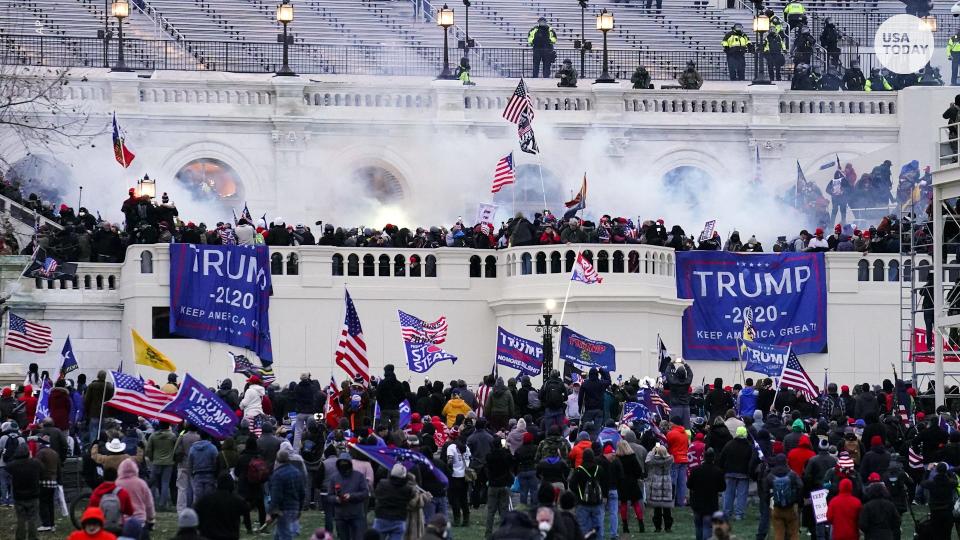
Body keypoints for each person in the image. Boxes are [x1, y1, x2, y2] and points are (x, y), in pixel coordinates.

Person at [325, 451, 368, 540]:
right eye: (341, 463)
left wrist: (351, 496)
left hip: (356, 515)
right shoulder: (334, 478)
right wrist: (336, 499)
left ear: (350, 463)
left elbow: (365, 493)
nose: (343, 465)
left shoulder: (359, 476)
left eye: (345, 463)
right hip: (341, 516)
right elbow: (329, 496)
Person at [195, 474, 249, 540]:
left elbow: (196, 513)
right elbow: (247, 509)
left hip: (209, 536)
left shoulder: (205, 499)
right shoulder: (237, 500)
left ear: (217, 484)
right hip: (230, 536)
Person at [687, 448, 725, 540]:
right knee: (707, 527)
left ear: (703, 457)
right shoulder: (718, 471)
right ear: (713, 458)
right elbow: (722, 487)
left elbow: (689, 485)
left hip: (697, 503)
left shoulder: (695, 470)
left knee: (698, 527)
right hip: (711, 504)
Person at [569, 448, 607, 538]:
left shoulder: (579, 470)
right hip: (597, 502)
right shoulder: (599, 469)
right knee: (599, 526)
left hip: (582, 503)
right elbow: (605, 484)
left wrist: (579, 494)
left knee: (582, 527)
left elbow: (572, 485)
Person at [6, 445, 41, 540]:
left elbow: (7, 469)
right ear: (27, 452)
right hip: (33, 495)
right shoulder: (35, 463)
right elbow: (42, 471)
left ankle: (20, 537)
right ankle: (32, 537)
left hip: (19, 496)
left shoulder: (12, 465)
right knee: (32, 518)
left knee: (21, 519)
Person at [718, 426, 752, 521]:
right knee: (742, 495)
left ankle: (727, 513)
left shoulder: (729, 444)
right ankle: (739, 514)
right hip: (744, 474)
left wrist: (722, 469)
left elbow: (722, 458)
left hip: (729, 473)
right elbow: (751, 461)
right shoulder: (749, 446)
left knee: (728, 494)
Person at [372, 463, 413, 540]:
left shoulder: (382, 484)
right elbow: (410, 498)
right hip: (399, 519)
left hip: (382, 517)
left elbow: (376, 494)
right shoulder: (407, 489)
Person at [765, 453, 801, 540]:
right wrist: (797, 500)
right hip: (790, 507)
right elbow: (800, 485)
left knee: (778, 533)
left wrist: (770, 503)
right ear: (786, 461)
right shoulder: (792, 474)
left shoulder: (770, 475)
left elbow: (765, 491)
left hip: (776, 508)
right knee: (793, 533)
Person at [115, 459, 155, 531]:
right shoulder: (141, 483)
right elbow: (149, 503)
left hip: (121, 521)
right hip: (140, 520)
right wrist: (150, 517)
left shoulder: (116, 484)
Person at [145, 420, 175, 510]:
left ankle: (152, 503)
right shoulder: (172, 436)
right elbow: (176, 448)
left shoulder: (153, 436)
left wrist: (151, 458)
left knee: (153, 483)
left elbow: (148, 450)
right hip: (168, 462)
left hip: (156, 461)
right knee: (165, 483)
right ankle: (162, 504)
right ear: (168, 425)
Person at [645, 443, 674, 532]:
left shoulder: (653, 460)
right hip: (666, 484)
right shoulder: (670, 459)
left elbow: (647, 460)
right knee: (667, 508)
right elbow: (668, 455)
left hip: (656, 484)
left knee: (657, 508)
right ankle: (668, 527)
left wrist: (653, 450)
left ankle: (658, 527)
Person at [665, 415, 690, 506]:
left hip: (675, 460)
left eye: (670, 422)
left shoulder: (671, 433)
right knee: (682, 483)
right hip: (684, 460)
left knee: (672, 482)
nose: (669, 424)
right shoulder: (685, 434)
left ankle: (671, 502)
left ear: (674, 423)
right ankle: (681, 502)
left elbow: (666, 445)